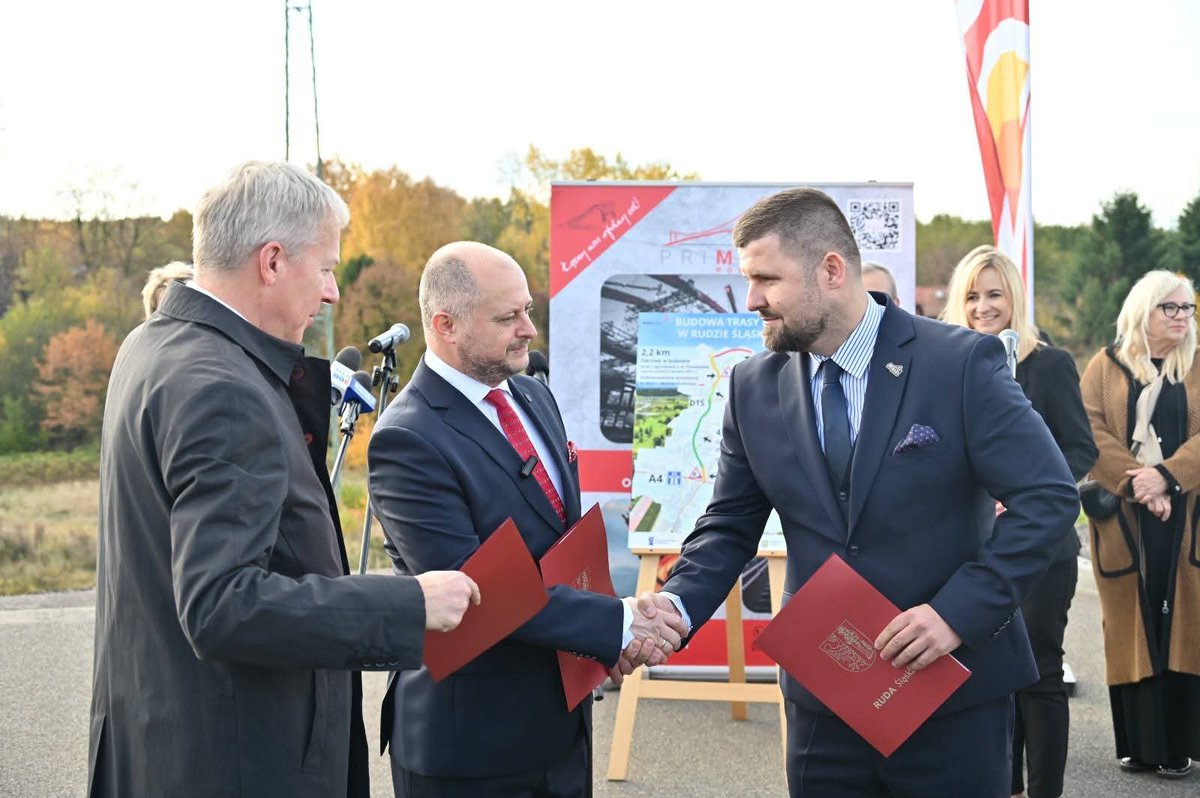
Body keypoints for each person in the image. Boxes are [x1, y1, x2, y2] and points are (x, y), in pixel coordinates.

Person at [631, 188, 1079, 797]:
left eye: (766, 278)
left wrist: (956, 614)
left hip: (951, 697)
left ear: (832, 271)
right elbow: (731, 523)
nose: (752, 299)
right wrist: (676, 607)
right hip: (826, 703)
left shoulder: (958, 362)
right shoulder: (751, 387)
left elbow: (1048, 497)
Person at [88, 161, 480, 798]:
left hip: (162, 739)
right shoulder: (223, 388)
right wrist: (409, 603)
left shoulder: (150, 346)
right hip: (236, 762)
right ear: (271, 262)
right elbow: (222, 605)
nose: (333, 292)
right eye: (326, 268)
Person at [367, 241, 687, 798]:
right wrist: (615, 625)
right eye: (507, 317)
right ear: (446, 325)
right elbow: (475, 588)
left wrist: (597, 644)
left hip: (561, 724)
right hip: (471, 746)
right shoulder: (406, 438)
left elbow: (562, 544)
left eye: (528, 311)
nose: (528, 330)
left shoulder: (533, 395)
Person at [943, 245, 1097, 798]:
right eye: (972, 296)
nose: (983, 306)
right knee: (986, 677)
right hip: (969, 549)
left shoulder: (1049, 365)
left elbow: (1080, 451)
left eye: (994, 294)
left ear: (1015, 298)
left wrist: (1026, 494)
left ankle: (1045, 791)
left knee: (1039, 673)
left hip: (1038, 549)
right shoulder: (943, 364)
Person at [1080, 269, 1200, 780]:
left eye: (1187, 308)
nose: (1181, 317)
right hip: (1126, 521)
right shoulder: (1104, 367)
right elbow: (1090, 432)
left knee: (1185, 623)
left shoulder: (1196, 365)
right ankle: (1138, 743)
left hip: (1187, 519)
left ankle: (1180, 746)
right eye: (1169, 308)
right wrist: (1140, 486)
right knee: (1133, 624)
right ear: (1143, 310)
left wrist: (1168, 478)